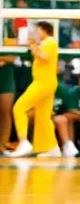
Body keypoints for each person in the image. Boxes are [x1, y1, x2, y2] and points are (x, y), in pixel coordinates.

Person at [6, 21, 59, 158]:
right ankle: (52, 148)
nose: (35, 33)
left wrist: (32, 44)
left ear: (44, 30)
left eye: (37, 31)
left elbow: (44, 56)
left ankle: (24, 142)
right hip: (46, 83)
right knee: (43, 117)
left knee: (19, 108)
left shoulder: (50, 42)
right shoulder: (44, 43)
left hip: (43, 83)